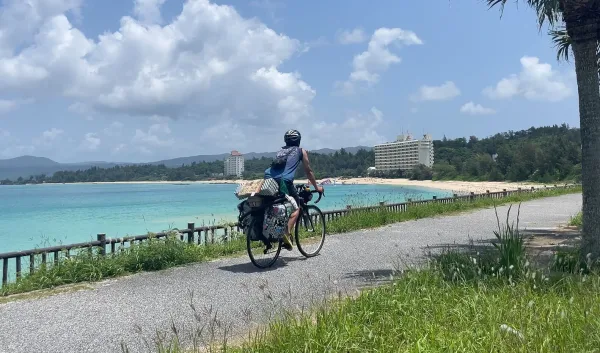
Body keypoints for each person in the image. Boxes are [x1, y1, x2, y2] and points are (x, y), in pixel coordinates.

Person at [264, 129, 324, 250]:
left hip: (268, 180)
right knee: (296, 207)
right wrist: (317, 187)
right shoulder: (301, 151)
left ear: (285, 140)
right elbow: (309, 171)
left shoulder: (280, 151)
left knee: (276, 204)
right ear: (299, 140)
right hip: (284, 182)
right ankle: (286, 233)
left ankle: (270, 232)